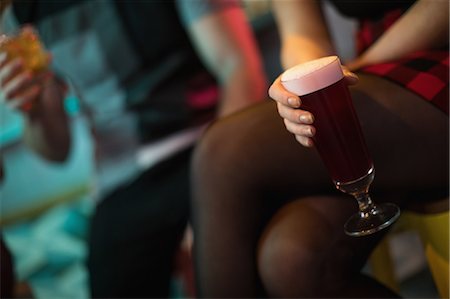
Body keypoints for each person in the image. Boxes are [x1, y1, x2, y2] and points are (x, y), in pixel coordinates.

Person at [0, 0, 267, 297]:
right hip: (123, 183)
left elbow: (240, 69)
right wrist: (33, 109)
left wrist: (215, 195)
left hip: (207, 144)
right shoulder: (23, 16)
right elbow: (56, 151)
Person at [191, 0, 448, 297]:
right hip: (378, 70)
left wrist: (338, 76)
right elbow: (302, 36)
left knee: (223, 152)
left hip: (425, 55)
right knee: (292, 258)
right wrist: (302, 86)